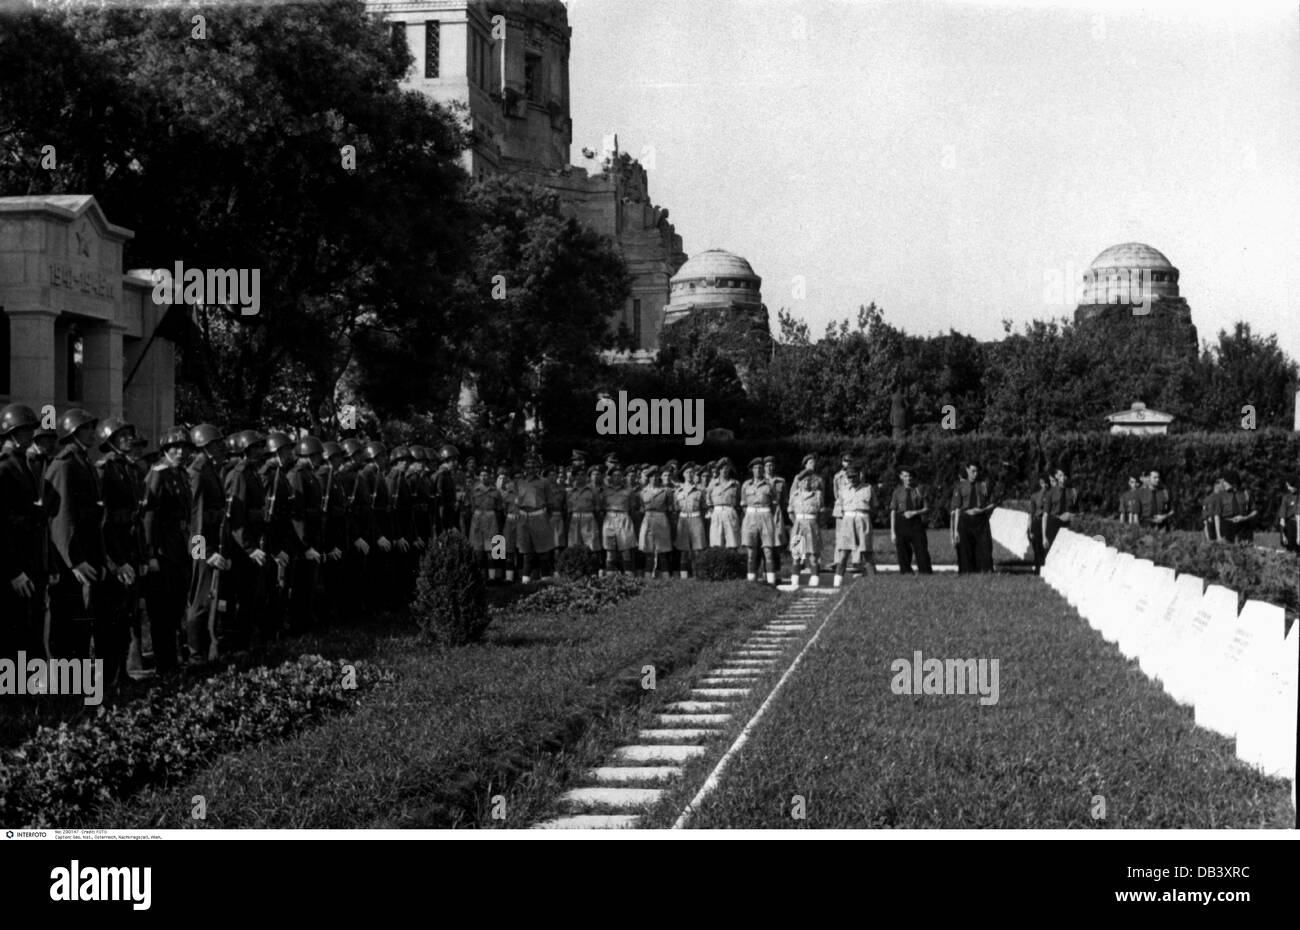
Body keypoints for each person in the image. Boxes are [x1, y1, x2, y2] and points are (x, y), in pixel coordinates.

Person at [45, 408, 110, 666]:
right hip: (71, 558)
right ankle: (66, 687)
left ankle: (78, 681)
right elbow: (62, 517)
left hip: (86, 550)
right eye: (86, 428)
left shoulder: (83, 461)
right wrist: (75, 559)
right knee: (68, 619)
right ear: (73, 432)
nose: (92, 432)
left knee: (81, 620)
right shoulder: (65, 464)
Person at [94, 416, 145, 685]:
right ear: (110, 440)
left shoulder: (129, 469)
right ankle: (106, 678)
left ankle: (121, 673)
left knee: (127, 615)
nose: (129, 439)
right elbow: (104, 523)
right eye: (122, 435)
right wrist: (117, 561)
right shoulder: (106, 469)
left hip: (132, 550)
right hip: (117, 554)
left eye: (129, 434)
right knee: (110, 619)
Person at [141, 427, 194, 672]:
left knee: (176, 607)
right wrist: (150, 554)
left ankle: (173, 660)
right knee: (162, 612)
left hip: (180, 548)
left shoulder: (181, 474)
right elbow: (149, 517)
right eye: (176, 448)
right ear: (165, 450)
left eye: (185, 448)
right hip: (163, 551)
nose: (181, 452)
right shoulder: (158, 473)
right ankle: (165, 665)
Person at [0, 404, 48, 661]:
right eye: (26, 430)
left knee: (30, 629)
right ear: (12, 433)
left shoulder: (23, 464)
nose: (32, 434)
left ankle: (29, 693)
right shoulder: (5, 467)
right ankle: (14, 697)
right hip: (16, 565)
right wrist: (13, 571)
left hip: (31, 561)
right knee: (13, 633)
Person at [514, 453, 557, 583]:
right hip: (524, 519)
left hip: (540, 517)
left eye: (533, 464)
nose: (530, 467)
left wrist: (542, 516)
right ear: (524, 467)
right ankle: (525, 582)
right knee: (527, 553)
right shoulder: (519, 482)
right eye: (528, 464)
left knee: (543, 552)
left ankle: (545, 581)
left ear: (538, 467)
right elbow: (517, 502)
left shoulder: (544, 482)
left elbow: (550, 504)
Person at [833, 460, 875, 586]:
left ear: (859, 475)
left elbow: (874, 506)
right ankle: (837, 582)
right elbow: (838, 509)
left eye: (853, 476)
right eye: (848, 477)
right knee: (844, 553)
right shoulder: (843, 490)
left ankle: (874, 582)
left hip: (863, 520)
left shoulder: (868, 488)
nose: (851, 479)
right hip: (847, 522)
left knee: (867, 552)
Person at [787, 454, 825, 585]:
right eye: (803, 481)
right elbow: (790, 512)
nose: (806, 483)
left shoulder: (817, 495)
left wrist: (813, 523)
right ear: (799, 483)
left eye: (808, 481)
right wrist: (796, 524)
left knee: (813, 554)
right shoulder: (795, 495)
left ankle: (814, 579)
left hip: (812, 525)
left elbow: (821, 513)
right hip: (798, 526)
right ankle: (795, 580)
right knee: (796, 555)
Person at [951, 462, 996, 573]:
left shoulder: (983, 485)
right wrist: (955, 531)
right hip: (965, 519)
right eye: (973, 471)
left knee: (985, 546)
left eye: (977, 471)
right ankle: (967, 572)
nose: (975, 474)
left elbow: (992, 503)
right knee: (965, 548)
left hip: (981, 519)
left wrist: (982, 510)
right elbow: (957, 509)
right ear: (967, 470)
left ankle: (986, 570)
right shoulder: (960, 486)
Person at [740, 457, 779, 585]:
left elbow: (774, 505)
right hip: (750, 517)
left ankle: (771, 581)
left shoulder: (770, 485)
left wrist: (764, 513)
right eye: (755, 468)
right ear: (752, 470)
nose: (758, 470)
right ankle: (752, 581)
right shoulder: (746, 485)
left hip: (766, 516)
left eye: (760, 468)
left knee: (768, 550)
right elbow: (743, 504)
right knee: (751, 551)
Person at [890, 465, 932, 574]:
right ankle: (906, 572)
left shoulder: (920, 489)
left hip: (916, 522)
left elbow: (927, 508)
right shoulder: (897, 492)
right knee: (902, 551)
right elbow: (893, 511)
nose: (908, 478)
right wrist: (892, 532)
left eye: (909, 476)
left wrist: (915, 512)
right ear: (901, 477)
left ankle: (925, 572)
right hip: (901, 522)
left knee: (921, 549)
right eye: (905, 476)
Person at [468, 462, 504, 579]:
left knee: (493, 549)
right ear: (479, 476)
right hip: (477, 520)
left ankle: (493, 577)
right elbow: (471, 507)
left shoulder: (495, 491)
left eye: (486, 475)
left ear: (490, 476)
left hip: (491, 519)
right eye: (482, 475)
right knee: (478, 550)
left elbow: (499, 508)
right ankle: (481, 577)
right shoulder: (474, 490)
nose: (484, 477)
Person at [599, 466, 637, 575]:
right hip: (609, 518)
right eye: (614, 475)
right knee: (610, 550)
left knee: (626, 550)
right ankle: (610, 577)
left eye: (619, 475)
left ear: (622, 477)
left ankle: (629, 577)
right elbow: (601, 507)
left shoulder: (629, 491)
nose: (617, 477)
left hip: (624, 518)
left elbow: (633, 508)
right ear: (610, 477)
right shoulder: (605, 491)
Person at [639, 466, 675, 578]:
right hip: (648, 519)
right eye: (651, 476)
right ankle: (648, 576)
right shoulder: (643, 492)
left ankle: (665, 576)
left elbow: (670, 509)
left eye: (656, 476)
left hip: (661, 519)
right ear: (648, 478)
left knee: (662, 550)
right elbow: (642, 508)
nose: (654, 478)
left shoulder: (666, 491)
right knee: (648, 550)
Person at [566, 464, 603, 555]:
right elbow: (569, 510)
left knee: (591, 543)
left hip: (589, 517)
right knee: (574, 543)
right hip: (575, 518)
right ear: (574, 477)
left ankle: (592, 566)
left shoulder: (593, 490)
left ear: (586, 477)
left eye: (582, 474)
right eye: (577, 475)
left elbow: (597, 507)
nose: (580, 477)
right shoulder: (570, 491)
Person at [1212, 470, 1257, 543]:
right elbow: (1217, 516)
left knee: (1245, 551)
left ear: (1232, 482)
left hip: (1243, 527)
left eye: (1225, 481)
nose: (1223, 484)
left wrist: (1245, 518)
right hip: (1227, 527)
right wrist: (1218, 536)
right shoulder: (1221, 495)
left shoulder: (1246, 493)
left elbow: (1254, 511)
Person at [707, 458, 741, 549]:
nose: (725, 470)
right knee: (716, 542)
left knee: (732, 541)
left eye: (727, 468)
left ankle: (732, 561)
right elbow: (708, 500)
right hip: (717, 512)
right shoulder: (713, 484)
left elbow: (738, 500)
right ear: (719, 470)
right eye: (722, 468)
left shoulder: (735, 484)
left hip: (730, 511)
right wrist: (713, 511)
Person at [1026, 475, 1050, 573]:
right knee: (1036, 546)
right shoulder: (1034, 496)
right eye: (1042, 483)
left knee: (1044, 546)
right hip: (1037, 522)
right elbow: (1031, 514)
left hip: (1047, 522)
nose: (1044, 485)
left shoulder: (1050, 495)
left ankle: (1043, 567)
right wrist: (1029, 529)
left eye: (1045, 483)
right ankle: (1038, 568)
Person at [1278, 478, 1299, 553]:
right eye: (1287, 486)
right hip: (1290, 526)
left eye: (1289, 486)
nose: (1288, 488)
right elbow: (1282, 519)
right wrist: (1282, 535)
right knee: (1291, 550)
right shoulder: (1286, 497)